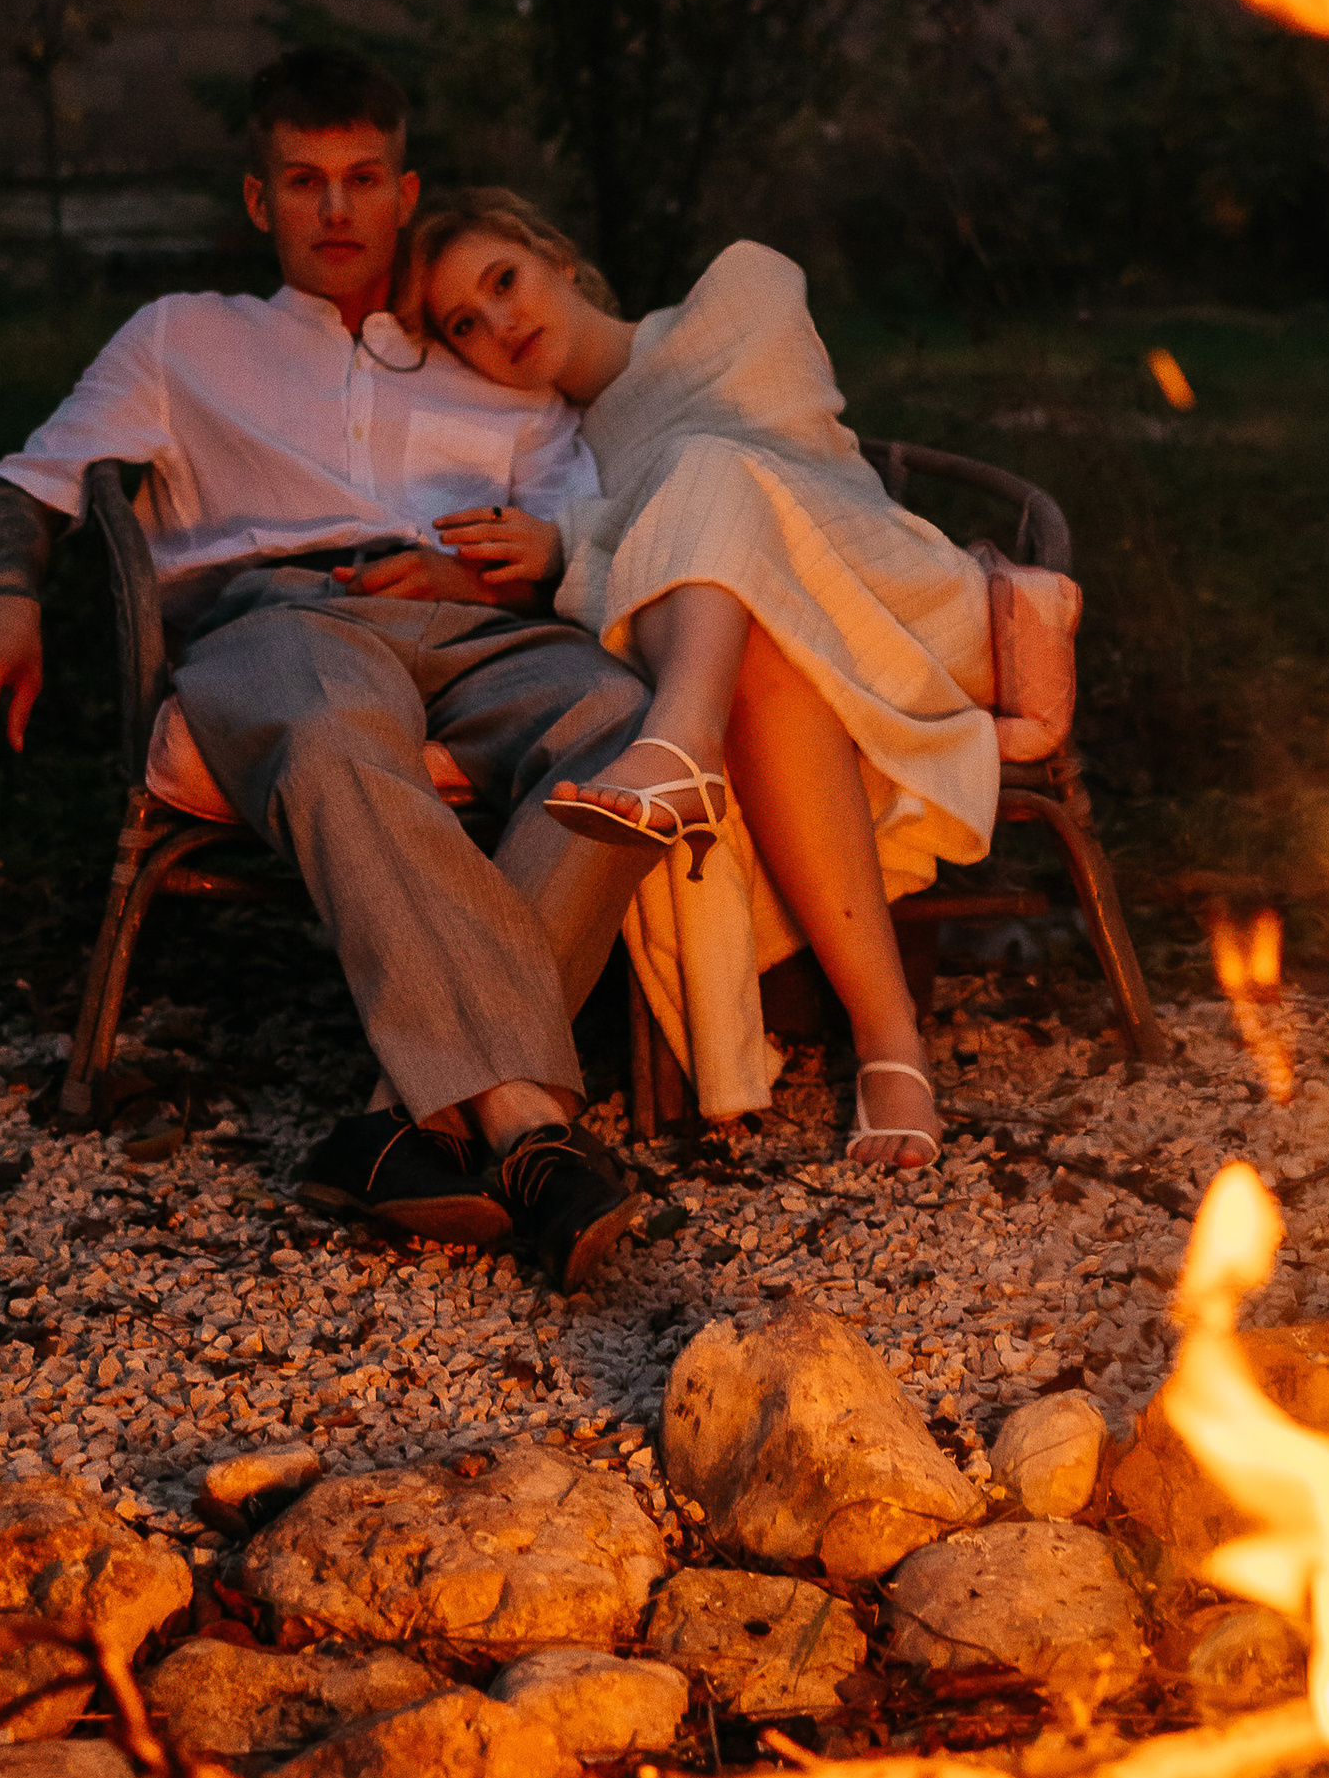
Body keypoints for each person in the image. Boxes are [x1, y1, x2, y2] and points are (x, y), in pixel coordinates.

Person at [0, 52, 670, 1287]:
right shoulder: (183, 340)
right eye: (305, 181)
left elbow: (569, 535)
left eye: (364, 179)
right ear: (258, 201)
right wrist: (8, 599)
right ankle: (530, 1134)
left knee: (623, 720)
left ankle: (401, 1126)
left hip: (474, 622)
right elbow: (33, 484)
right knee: (336, 729)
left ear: (405, 190)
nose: (337, 209)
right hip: (280, 619)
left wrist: (492, 577)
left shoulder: (481, 354)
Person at [400, 195, 1002, 1171]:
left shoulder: (742, 290)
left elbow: (767, 468)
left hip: (891, 603)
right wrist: (565, 545)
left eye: (503, 281)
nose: (499, 326)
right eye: (463, 324)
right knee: (752, 639)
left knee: (708, 466)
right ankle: (891, 1044)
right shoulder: (564, 462)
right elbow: (632, 605)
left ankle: (677, 745)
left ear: (555, 256)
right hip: (764, 652)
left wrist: (574, 548)